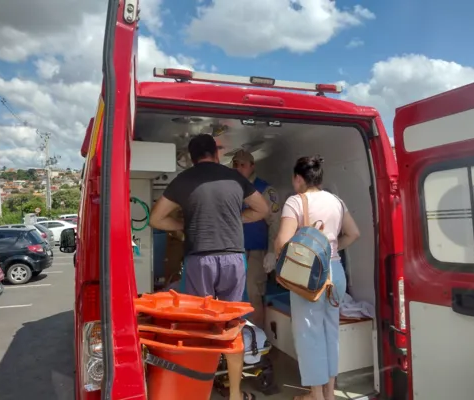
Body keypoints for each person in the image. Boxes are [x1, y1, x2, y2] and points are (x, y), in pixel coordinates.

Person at [149, 133, 269, 400]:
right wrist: (234, 220)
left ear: (191, 158)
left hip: (199, 259)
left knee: (198, 327)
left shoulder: (183, 180)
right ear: (216, 153)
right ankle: (236, 393)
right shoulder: (234, 177)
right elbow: (263, 210)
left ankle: (196, 389)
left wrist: (184, 225)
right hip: (233, 259)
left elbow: (156, 219)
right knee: (232, 325)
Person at [273, 155, 361, 400]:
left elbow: (282, 241)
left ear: (298, 178)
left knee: (309, 334)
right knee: (330, 332)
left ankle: (316, 395)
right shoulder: (337, 201)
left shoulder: (296, 201)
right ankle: (330, 394)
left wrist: (282, 264)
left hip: (309, 278)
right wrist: (331, 250)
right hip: (336, 272)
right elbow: (354, 233)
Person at [232, 149, 281, 327]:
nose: (238, 169)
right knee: (233, 296)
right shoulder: (230, 187)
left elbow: (274, 223)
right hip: (233, 251)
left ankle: (257, 340)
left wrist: (271, 252)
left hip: (255, 252)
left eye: (243, 165)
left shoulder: (265, 190)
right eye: (235, 165)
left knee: (253, 294)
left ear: (252, 166)